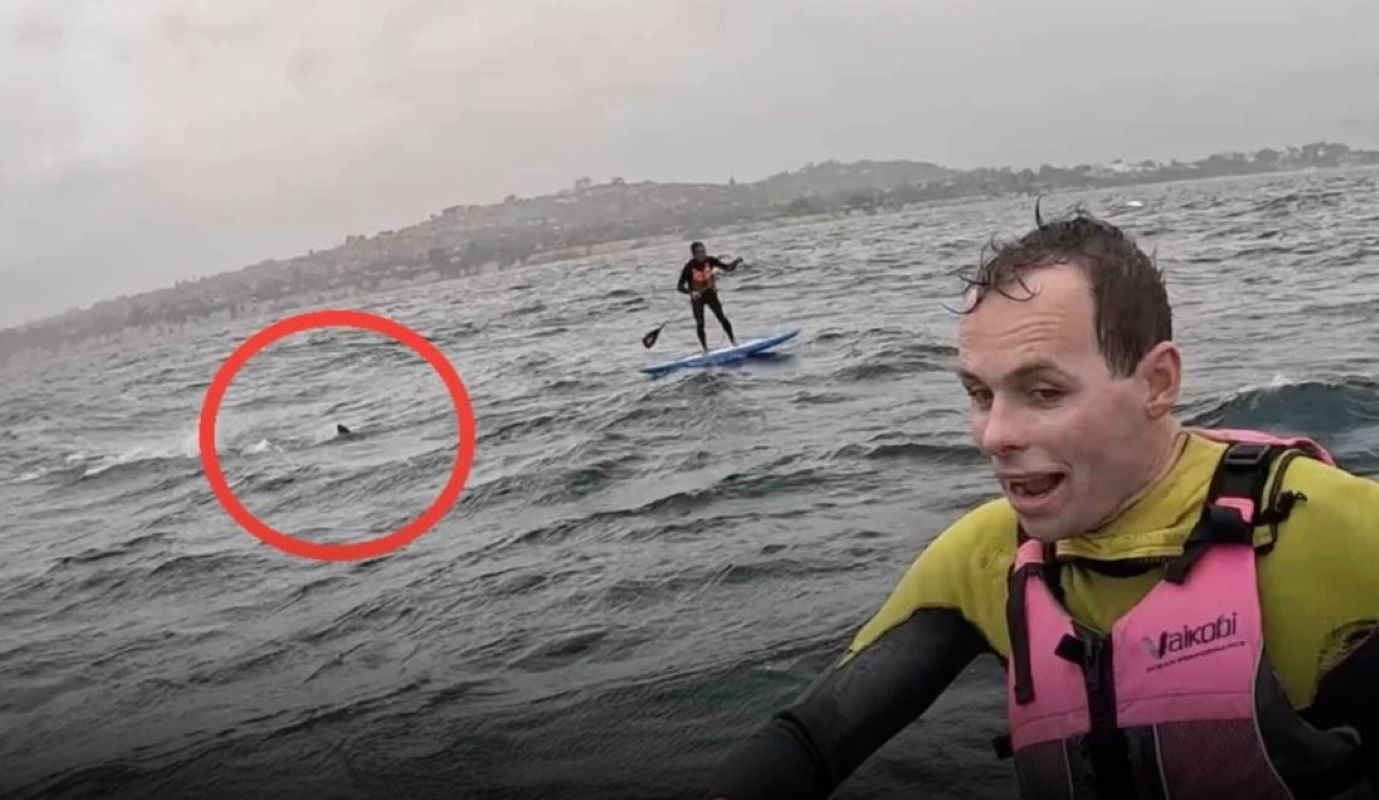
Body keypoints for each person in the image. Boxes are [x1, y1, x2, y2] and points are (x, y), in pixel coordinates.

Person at [703, 210, 1379, 799]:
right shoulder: (984, 556)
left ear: (1157, 383)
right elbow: (809, 741)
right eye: (978, 394)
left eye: (1044, 392)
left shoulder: (1322, 525)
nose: (993, 435)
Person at [677, 241, 741, 352]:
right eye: (699, 252)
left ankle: (734, 342)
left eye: (704, 251)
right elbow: (679, 287)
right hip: (697, 299)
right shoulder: (689, 267)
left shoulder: (710, 260)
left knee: (722, 317)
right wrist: (691, 292)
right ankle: (705, 349)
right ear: (694, 254)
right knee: (700, 324)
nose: (703, 254)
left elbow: (728, 268)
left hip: (711, 295)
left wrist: (736, 262)